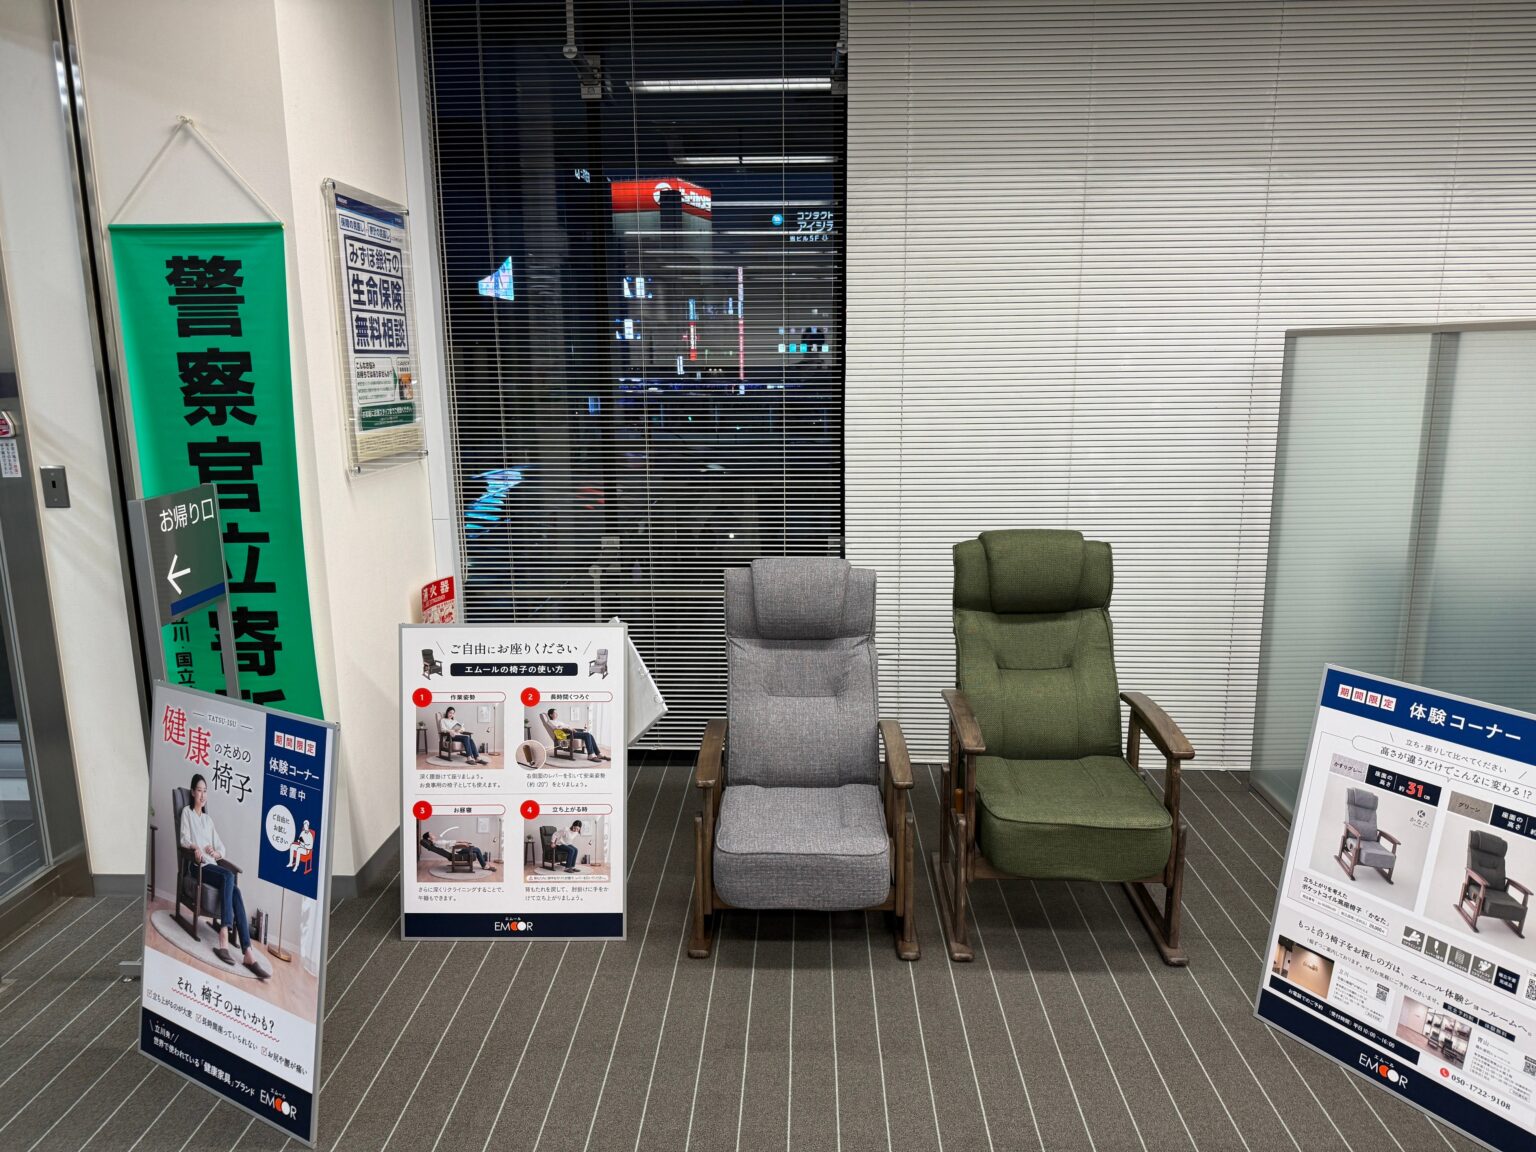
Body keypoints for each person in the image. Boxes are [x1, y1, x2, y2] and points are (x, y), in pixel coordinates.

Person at [179, 773, 271, 979]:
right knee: (229, 877)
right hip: (197, 867)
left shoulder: (208, 820)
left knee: (235, 891)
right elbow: (183, 838)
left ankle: (248, 952)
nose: (202, 795)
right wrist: (195, 847)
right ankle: (223, 936)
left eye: (205, 791)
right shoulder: (187, 813)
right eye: (199, 791)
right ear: (193, 792)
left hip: (211, 866)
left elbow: (222, 848)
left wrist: (215, 853)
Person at [420, 830, 495, 872]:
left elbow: (449, 842)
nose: (433, 834)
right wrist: (462, 844)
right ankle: (484, 865)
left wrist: (461, 841)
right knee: (477, 849)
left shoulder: (437, 842)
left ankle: (483, 860)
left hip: (457, 849)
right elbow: (450, 844)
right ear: (429, 838)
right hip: (457, 851)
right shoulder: (437, 843)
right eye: (431, 834)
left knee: (475, 849)